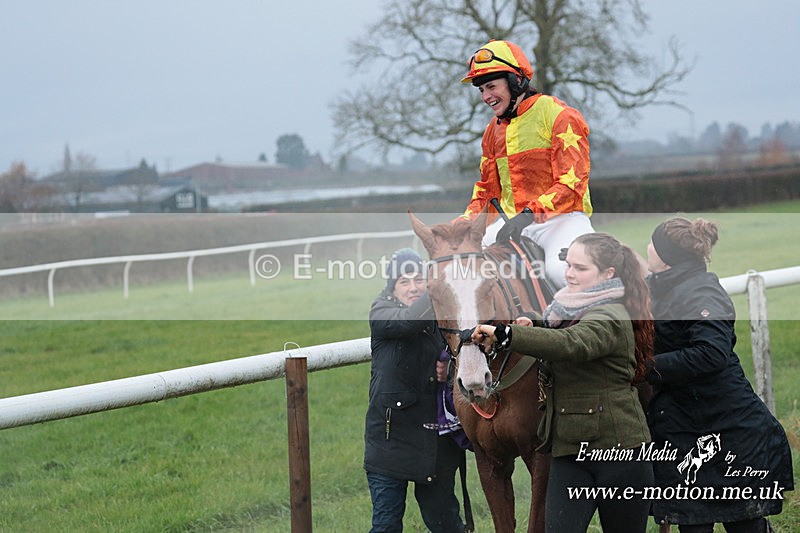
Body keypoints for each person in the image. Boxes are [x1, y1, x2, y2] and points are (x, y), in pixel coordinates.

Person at [472, 232, 655, 533]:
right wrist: (535, 321)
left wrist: (508, 335)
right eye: (568, 264)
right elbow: (560, 328)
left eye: (580, 268)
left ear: (608, 274)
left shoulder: (611, 314)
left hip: (620, 455)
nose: (569, 273)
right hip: (570, 453)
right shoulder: (564, 309)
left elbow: (572, 343)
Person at [644, 217, 794, 532]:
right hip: (688, 425)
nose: (647, 247)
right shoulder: (664, 286)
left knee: (745, 525)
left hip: (729, 428)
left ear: (666, 256)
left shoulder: (700, 292)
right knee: (693, 524)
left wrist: (644, 368)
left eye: (653, 243)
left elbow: (711, 354)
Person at [458, 39, 595, 289]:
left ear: (515, 81)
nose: (486, 96)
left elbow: (572, 182)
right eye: (481, 90)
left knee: (563, 273)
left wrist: (530, 213)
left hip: (561, 221)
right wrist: (462, 225)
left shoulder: (559, 115)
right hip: (510, 224)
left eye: (491, 86)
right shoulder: (492, 131)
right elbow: (486, 192)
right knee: (460, 268)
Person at [364, 247, 467, 533]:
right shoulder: (381, 311)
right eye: (404, 282)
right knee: (386, 527)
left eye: (419, 280)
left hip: (435, 441)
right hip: (389, 439)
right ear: (392, 287)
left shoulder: (444, 319)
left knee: (447, 524)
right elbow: (409, 320)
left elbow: (466, 362)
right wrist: (436, 285)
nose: (414, 288)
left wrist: (449, 370)